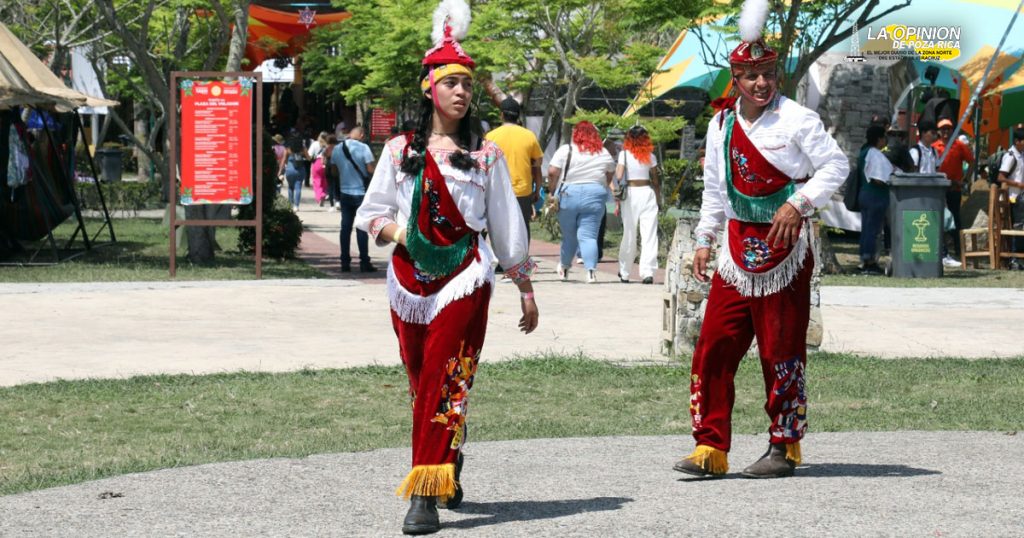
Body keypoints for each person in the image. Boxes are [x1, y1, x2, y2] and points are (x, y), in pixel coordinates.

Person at [354, 1, 538, 533]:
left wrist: (524, 288)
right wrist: (399, 234)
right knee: (422, 381)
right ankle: (448, 453)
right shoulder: (396, 150)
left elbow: (505, 226)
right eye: (450, 82)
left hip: (466, 277)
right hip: (410, 281)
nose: (460, 92)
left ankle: (424, 494)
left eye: (466, 84)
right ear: (428, 87)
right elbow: (371, 214)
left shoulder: (487, 155)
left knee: (442, 377)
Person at [674, 0, 848, 480]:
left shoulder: (797, 119)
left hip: (785, 250)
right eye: (751, 75)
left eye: (768, 73)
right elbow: (715, 185)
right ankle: (710, 448)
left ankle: (783, 447)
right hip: (733, 250)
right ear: (736, 78)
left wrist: (800, 203)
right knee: (714, 345)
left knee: (779, 349)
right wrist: (705, 238)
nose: (761, 83)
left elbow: (836, 165)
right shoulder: (721, 123)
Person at [547, 121, 615, 283]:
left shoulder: (566, 150)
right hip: (595, 195)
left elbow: (552, 171)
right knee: (589, 236)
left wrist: (551, 189)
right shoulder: (603, 152)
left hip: (569, 194)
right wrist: (603, 184)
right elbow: (610, 172)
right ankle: (590, 272)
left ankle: (564, 267)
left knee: (569, 235)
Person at [485, 97, 543, 245]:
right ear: (518, 116)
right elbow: (537, 166)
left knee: (500, 228)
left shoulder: (491, 136)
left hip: (497, 191)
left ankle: (502, 262)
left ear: (501, 115)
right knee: (522, 228)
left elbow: (484, 166)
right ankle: (520, 263)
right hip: (523, 191)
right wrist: (537, 190)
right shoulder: (529, 136)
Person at [614, 125, 662, 284]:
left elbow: (619, 175)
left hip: (631, 194)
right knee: (649, 234)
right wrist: (658, 198)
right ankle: (647, 272)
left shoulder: (624, 155)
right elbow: (656, 180)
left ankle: (625, 272)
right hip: (647, 193)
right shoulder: (650, 156)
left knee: (629, 233)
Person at [333, 125, 377, 273]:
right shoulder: (364, 148)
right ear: (362, 135)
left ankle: (345, 262)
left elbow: (333, 170)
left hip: (345, 192)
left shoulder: (338, 148)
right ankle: (364, 262)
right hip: (361, 193)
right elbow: (370, 170)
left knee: (345, 228)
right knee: (361, 228)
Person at [933, 118, 973, 267]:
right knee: (939, 218)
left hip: (954, 188)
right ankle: (941, 250)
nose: (945, 131)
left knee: (956, 219)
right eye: (943, 129)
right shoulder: (934, 147)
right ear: (938, 131)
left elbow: (971, 162)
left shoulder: (959, 145)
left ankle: (958, 249)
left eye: (948, 129)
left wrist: (966, 179)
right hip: (939, 188)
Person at [858, 125, 893, 275]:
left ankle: (865, 259)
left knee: (866, 230)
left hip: (865, 194)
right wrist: (890, 181)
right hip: (875, 195)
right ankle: (870, 262)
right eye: (884, 137)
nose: (886, 140)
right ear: (879, 139)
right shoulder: (874, 153)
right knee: (873, 230)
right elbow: (878, 178)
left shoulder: (864, 151)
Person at [997, 132, 1024, 269]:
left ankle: (1019, 258)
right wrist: (1018, 184)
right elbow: (1001, 177)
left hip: (1020, 196)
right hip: (1013, 197)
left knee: (1020, 227)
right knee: (1017, 227)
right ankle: (1014, 259)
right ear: (1018, 141)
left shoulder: (1021, 155)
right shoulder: (1011, 156)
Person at [278, 133, 309, 211]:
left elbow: (283, 160)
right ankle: (296, 206)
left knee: (290, 187)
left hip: (290, 170)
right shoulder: (303, 148)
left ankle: (290, 204)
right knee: (298, 187)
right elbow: (309, 158)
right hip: (300, 170)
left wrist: (280, 172)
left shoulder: (288, 149)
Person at [309, 131, 330, 207]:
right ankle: (324, 194)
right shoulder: (328, 145)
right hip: (326, 163)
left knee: (317, 181)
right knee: (325, 181)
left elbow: (310, 154)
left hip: (317, 163)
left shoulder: (315, 143)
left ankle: (320, 195)